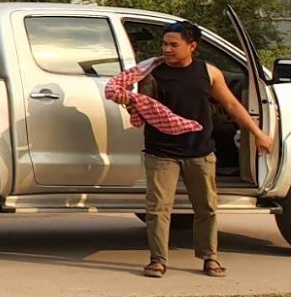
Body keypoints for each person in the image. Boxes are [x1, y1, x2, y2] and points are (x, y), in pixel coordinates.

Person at [108, 20, 273, 279]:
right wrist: (125, 100)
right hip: (161, 152)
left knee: (206, 208)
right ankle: (157, 260)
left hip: (200, 152)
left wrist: (258, 133)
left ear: (192, 46)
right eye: (164, 44)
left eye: (174, 45)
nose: (167, 49)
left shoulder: (209, 73)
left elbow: (231, 105)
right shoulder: (151, 73)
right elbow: (139, 106)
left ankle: (210, 258)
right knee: (158, 209)